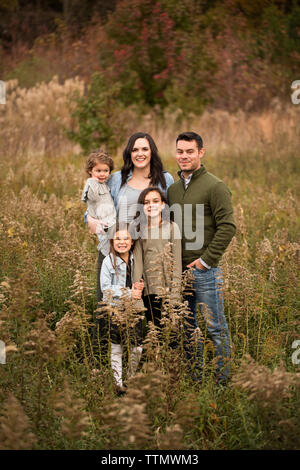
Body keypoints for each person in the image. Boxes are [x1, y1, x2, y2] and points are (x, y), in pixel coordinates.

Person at [167, 132, 236, 385]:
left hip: (204, 272)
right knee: (186, 329)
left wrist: (206, 261)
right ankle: (194, 378)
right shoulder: (172, 190)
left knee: (216, 329)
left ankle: (223, 382)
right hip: (178, 273)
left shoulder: (215, 186)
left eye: (189, 152)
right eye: (180, 152)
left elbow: (227, 227)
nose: (184, 156)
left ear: (201, 153)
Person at [87, 132, 174, 302]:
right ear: (129, 153)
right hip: (115, 248)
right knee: (108, 302)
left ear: (152, 152)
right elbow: (96, 204)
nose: (139, 153)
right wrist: (90, 219)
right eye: (135, 149)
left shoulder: (165, 179)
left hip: (149, 251)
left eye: (144, 149)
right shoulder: (116, 179)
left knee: (148, 305)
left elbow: (171, 215)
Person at [100, 224, 144, 395]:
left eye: (126, 238)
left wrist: (140, 286)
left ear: (132, 242)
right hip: (115, 309)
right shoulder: (108, 261)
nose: (122, 242)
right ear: (112, 241)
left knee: (136, 347)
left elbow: (141, 280)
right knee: (116, 346)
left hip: (134, 310)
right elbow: (106, 289)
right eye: (118, 238)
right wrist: (128, 292)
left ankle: (131, 378)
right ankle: (118, 384)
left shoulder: (136, 260)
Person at [132, 187, 182, 328]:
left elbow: (177, 262)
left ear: (163, 205)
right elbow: (138, 263)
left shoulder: (172, 227)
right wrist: (137, 295)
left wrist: (175, 294)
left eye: (155, 201)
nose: (151, 205)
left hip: (169, 290)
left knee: (172, 334)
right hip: (150, 290)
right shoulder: (139, 230)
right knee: (154, 330)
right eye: (146, 202)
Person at [81, 149, 116, 257]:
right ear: (90, 171)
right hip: (102, 222)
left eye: (106, 171)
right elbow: (92, 197)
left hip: (110, 220)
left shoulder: (103, 183)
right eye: (98, 171)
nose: (102, 174)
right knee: (107, 246)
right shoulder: (92, 184)